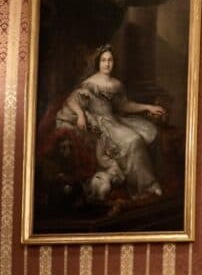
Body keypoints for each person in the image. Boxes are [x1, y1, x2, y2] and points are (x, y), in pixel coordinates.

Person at [55, 44, 167, 201]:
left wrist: (147, 107)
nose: (107, 64)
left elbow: (124, 105)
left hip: (115, 122)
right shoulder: (90, 84)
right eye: (103, 60)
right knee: (133, 140)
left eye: (110, 60)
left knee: (151, 132)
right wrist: (80, 114)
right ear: (98, 63)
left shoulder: (116, 84)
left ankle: (150, 183)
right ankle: (147, 186)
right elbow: (72, 100)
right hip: (101, 126)